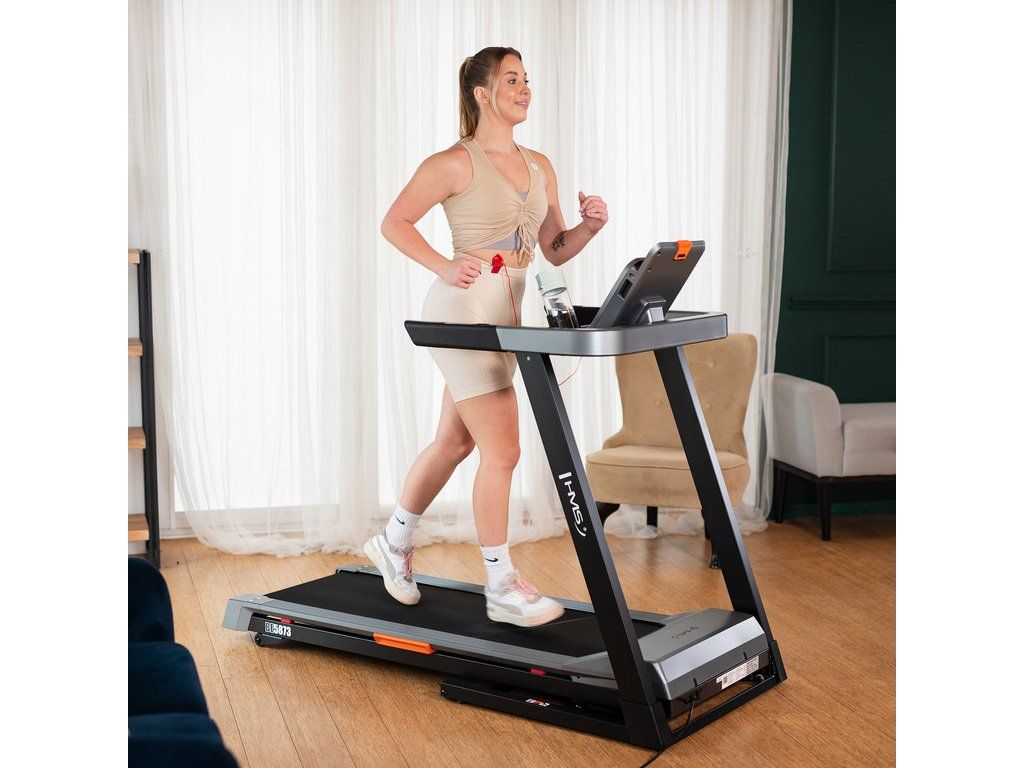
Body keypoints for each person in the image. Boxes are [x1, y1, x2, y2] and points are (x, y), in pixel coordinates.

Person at [365, 46, 608, 627]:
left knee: (455, 443)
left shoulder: (540, 164)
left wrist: (590, 227)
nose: (525, 90)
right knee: (503, 450)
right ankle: (500, 584)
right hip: (464, 308)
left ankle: (393, 541)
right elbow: (394, 222)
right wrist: (444, 266)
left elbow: (552, 250)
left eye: (527, 79)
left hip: (512, 310)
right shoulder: (454, 162)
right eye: (512, 80)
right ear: (482, 93)